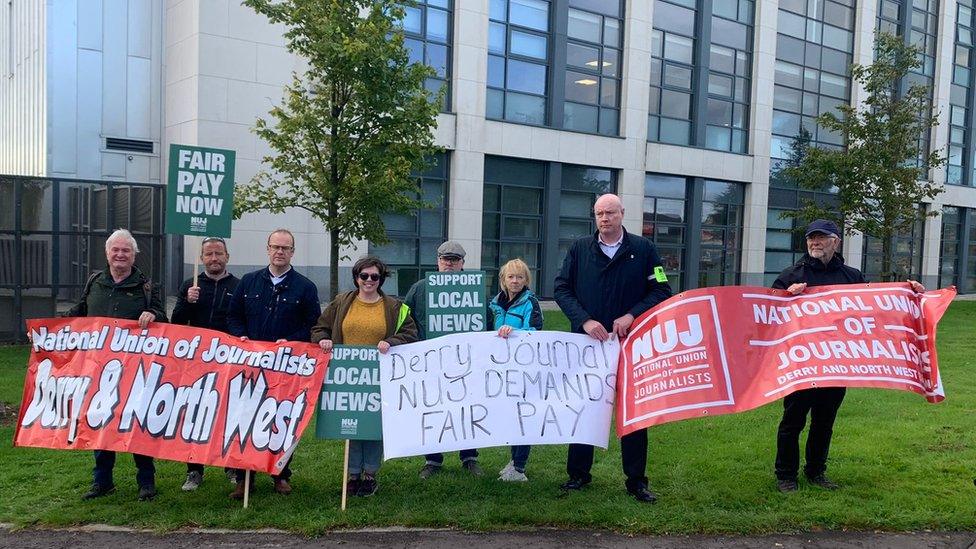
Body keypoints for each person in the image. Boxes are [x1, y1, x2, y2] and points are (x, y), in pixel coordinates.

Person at [772, 219, 924, 493]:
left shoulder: (852, 276)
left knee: (824, 422)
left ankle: (816, 472)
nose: (815, 242)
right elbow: (770, 314)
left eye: (821, 238)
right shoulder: (791, 275)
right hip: (803, 363)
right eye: (811, 238)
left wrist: (909, 295)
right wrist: (785, 296)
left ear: (836, 241)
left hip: (837, 364)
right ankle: (786, 476)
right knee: (792, 422)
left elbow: (875, 308)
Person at [553, 193, 672, 503]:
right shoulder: (580, 249)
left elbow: (661, 289)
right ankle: (578, 474)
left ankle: (636, 481)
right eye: (599, 213)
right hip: (588, 345)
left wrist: (632, 315)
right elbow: (561, 289)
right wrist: (584, 321)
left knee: (634, 412)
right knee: (585, 408)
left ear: (623, 214)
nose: (604, 218)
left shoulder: (643, 249)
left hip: (631, 345)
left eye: (610, 213)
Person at [65, 228, 168, 501]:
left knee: (136, 423)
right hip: (98, 369)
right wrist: (48, 331)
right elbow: (78, 314)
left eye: (126, 251)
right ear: (107, 253)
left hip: (135, 370)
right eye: (116, 250)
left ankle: (146, 481)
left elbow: (165, 320)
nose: (120, 255)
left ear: (134, 255)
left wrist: (153, 313)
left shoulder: (146, 286)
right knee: (100, 423)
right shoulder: (95, 282)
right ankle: (102, 481)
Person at [226, 229, 321, 499]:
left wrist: (291, 341)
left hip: (285, 369)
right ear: (267, 249)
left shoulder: (305, 287)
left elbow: (313, 325)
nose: (280, 252)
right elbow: (233, 317)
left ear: (293, 252)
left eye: (285, 248)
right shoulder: (248, 282)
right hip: (249, 367)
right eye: (275, 247)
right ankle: (244, 477)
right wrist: (240, 336)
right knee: (245, 420)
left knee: (281, 421)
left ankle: (280, 474)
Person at [311, 256, 418, 497]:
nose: (369, 281)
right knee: (350, 425)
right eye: (364, 276)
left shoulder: (394, 307)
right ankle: (352, 475)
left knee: (373, 426)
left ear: (381, 279)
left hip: (380, 376)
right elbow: (320, 327)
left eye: (374, 277)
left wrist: (391, 341)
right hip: (347, 375)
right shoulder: (342, 302)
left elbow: (411, 333)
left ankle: (370, 474)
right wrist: (323, 339)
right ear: (356, 277)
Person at [403, 240, 485, 478]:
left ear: (462, 263)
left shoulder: (474, 287)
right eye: (445, 259)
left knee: (466, 408)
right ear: (437, 261)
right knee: (431, 409)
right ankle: (432, 459)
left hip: (464, 361)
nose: (449, 264)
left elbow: (486, 321)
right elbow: (404, 320)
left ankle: (469, 456)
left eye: (454, 260)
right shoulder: (420, 288)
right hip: (429, 360)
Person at [170, 236, 240, 491]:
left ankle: (231, 466)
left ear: (227, 257)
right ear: (201, 259)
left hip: (229, 361)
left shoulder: (238, 286)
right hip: (197, 363)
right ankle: (194, 470)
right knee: (195, 415)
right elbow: (176, 323)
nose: (214, 258)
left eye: (218, 253)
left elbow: (239, 321)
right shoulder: (191, 284)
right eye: (208, 254)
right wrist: (188, 302)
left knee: (227, 414)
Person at [489, 258, 544, 482]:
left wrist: (516, 332)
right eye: (510, 277)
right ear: (503, 279)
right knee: (511, 416)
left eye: (519, 277)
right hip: (501, 368)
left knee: (523, 416)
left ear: (526, 280)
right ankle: (513, 461)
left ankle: (520, 467)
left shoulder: (531, 302)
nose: (515, 281)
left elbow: (537, 329)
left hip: (523, 368)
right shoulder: (494, 303)